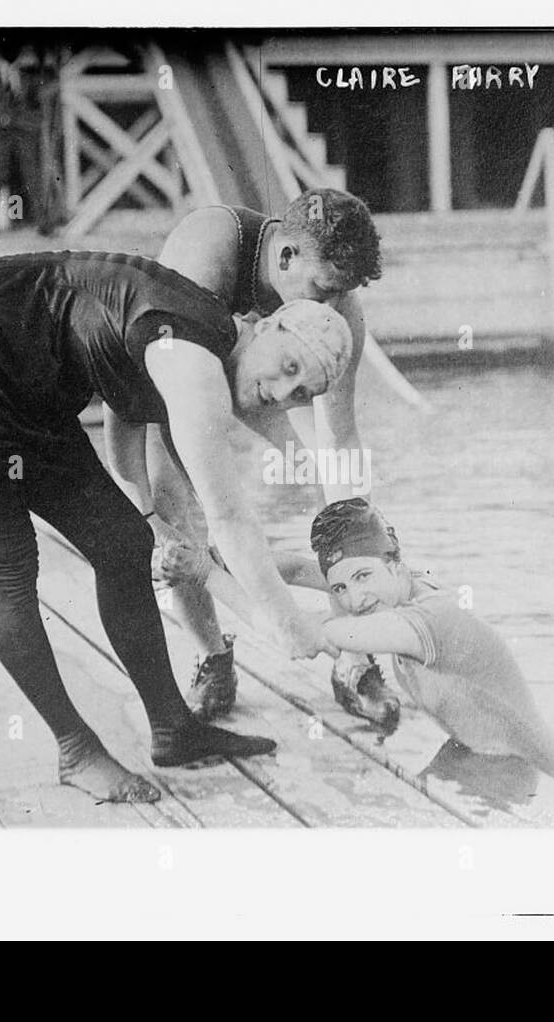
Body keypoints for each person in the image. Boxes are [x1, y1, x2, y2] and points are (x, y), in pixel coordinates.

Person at [0, 250, 347, 803]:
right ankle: (76, 748)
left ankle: (171, 728)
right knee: (11, 567)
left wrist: (154, 515)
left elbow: (124, 417)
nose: (284, 393)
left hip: (21, 383)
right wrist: (285, 621)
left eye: (303, 391)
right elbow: (228, 515)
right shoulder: (191, 359)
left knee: (123, 542)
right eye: (288, 366)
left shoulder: (207, 335)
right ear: (267, 324)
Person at [107, 188, 396, 726]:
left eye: (339, 298)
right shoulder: (206, 250)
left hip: (264, 380)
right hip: (163, 386)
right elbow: (148, 396)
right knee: (181, 510)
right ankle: (213, 655)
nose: (327, 307)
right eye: (322, 290)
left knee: (348, 503)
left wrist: (360, 539)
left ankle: (354, 657)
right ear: (286, 258)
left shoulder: (339, 310)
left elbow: (339, 438)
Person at [162, 498, 554, 814]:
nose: (354, 596)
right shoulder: (398, 585)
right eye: (340, 586)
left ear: (395, 563)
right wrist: (227, 557)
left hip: (507, 768)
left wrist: (204, 572)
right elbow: (302, 568)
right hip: (468, 749)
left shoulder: (420, 623)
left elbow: (295, 634)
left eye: (362, 577)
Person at [0, 43, 51, 237]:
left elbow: (38, 106)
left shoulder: (26, 78)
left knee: (32, 176)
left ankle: (43, 224)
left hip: (23, 133)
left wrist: (31, 125)